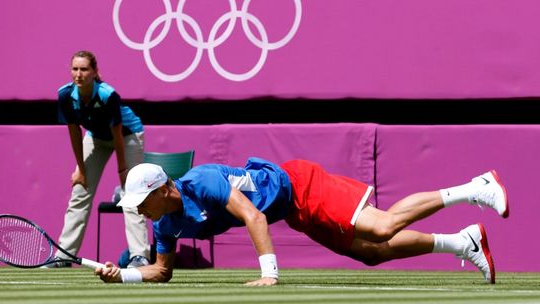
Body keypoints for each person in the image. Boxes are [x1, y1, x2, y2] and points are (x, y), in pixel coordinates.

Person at [96, 158, 508, 285]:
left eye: (142, 201)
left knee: (381, 227)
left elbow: (254, 216)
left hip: (299, 184)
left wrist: (269, 273)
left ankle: (476, 187)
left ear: (163, 189)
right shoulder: (164, 226)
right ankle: (462, 242)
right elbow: (162, 271)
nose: (138, 210)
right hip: (293, 210)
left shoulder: (201, 182)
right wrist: (125, 276)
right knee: (370, 253)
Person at [50, 51, 150, 268]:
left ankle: (140, 255)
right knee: (80, 191)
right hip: (95, 137)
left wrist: (122, 169)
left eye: (84, 69)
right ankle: (64, 255)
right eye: (75, 69)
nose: (79, 74)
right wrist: (81, 170)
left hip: (128, 135)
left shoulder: (107, 95)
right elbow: (74, 132)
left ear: (94, 72)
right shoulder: (65, 95)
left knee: (130, 193)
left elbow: (117, 134)